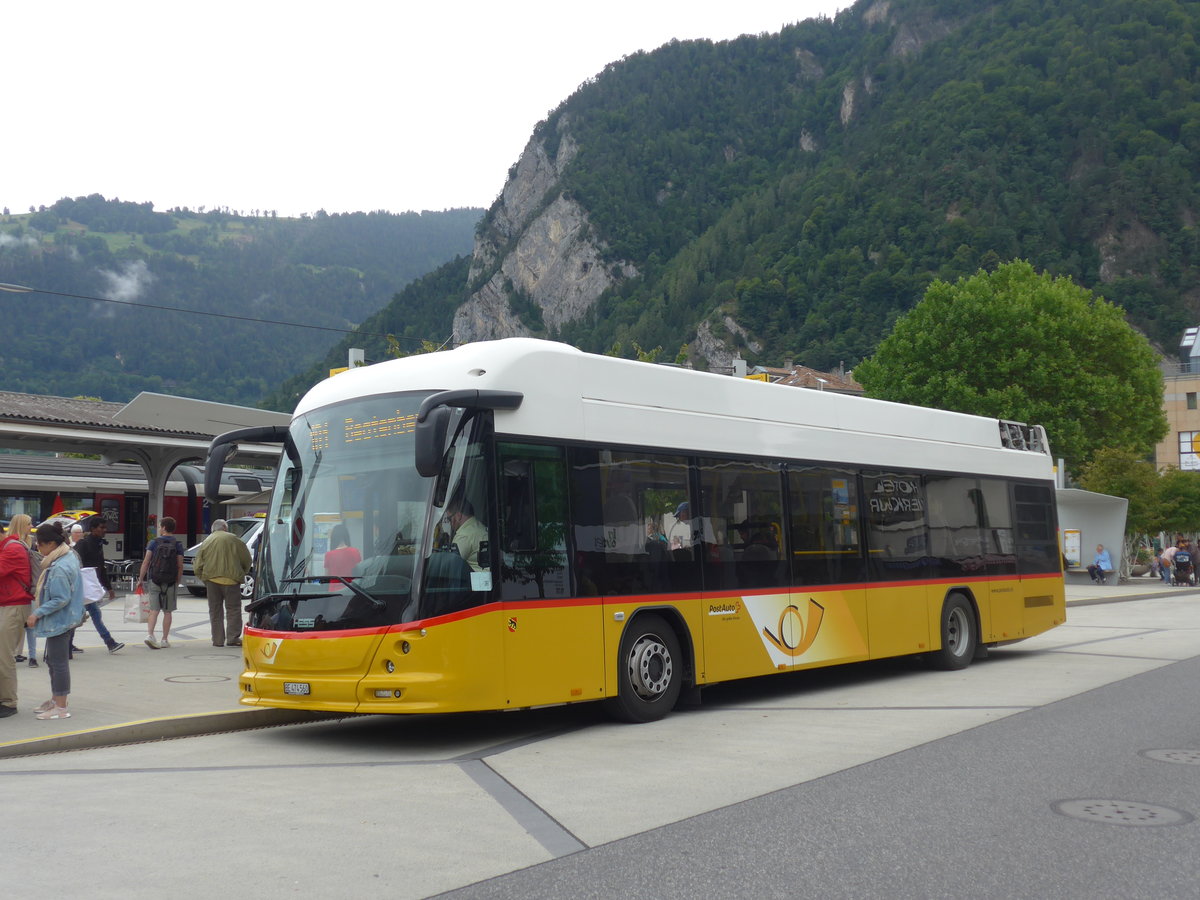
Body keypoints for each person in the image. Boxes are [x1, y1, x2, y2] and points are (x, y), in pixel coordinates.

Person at [27, 522, 85, 720]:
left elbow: (60, 599)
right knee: (53, 661)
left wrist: (37, 613)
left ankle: (60, 707)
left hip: (60, 620)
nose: (37, 548)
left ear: (51, 544)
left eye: (39, 544)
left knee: (58, 663)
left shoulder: (60, 566)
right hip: (64, 618)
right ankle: (56, 699)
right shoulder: (65, 556)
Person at [194, 519, 253, 647]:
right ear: (225, 528)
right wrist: (242, 572)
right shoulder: (235, 539)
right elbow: (247, 559)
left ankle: (217, 640)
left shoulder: (207, 541)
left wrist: (204, 578)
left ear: (213, 529)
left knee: (215, 611)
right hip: (232, 580)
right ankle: (233, 638)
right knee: (233, 609)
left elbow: (198, 565)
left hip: (212, 580)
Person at [0, 514, 36, 718]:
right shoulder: (8, 547)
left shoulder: (12, 548)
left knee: (4, 656)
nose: (32, 527)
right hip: (8, 604)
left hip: (13, 606)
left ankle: (8, 702)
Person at [73, 516, 124, 653]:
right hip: (82, 586)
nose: (104, 530)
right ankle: (109, 642)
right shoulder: (83, 544)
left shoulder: (98, 544)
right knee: (88, 614)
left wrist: (109, 588)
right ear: (93, 529)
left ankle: (109, 642)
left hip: (90, 586)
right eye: (101, 527)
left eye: (104, 527)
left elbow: (101, 568)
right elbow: (75, 564)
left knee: (82, 615)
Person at [136, 516, 183, 649]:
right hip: (170, 581)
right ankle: (164, 639)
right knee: (167, 612)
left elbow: (146, 562)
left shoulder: (153, 543)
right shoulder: (177, 544)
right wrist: (177, 581)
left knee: (154, 610)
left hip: (154, 579)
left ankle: (150, 635)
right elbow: (180, 565)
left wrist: (141, 579)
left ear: (163, 528)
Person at [6, 514, 39, 670]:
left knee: (29, 626)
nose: (31, 526)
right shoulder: (17, 545)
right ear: (20, 525)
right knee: (23, 627)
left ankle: (31, 656)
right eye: (28, 523)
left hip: (22, 593)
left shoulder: (25, 543)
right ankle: (19, 655)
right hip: (22, 593)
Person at [446, 499, 487, 572]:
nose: (449, 523)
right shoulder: (478, 526)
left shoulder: (464, 535)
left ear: (458, 516)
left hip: (476, 581)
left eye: (449, 519)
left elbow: (449, 566)